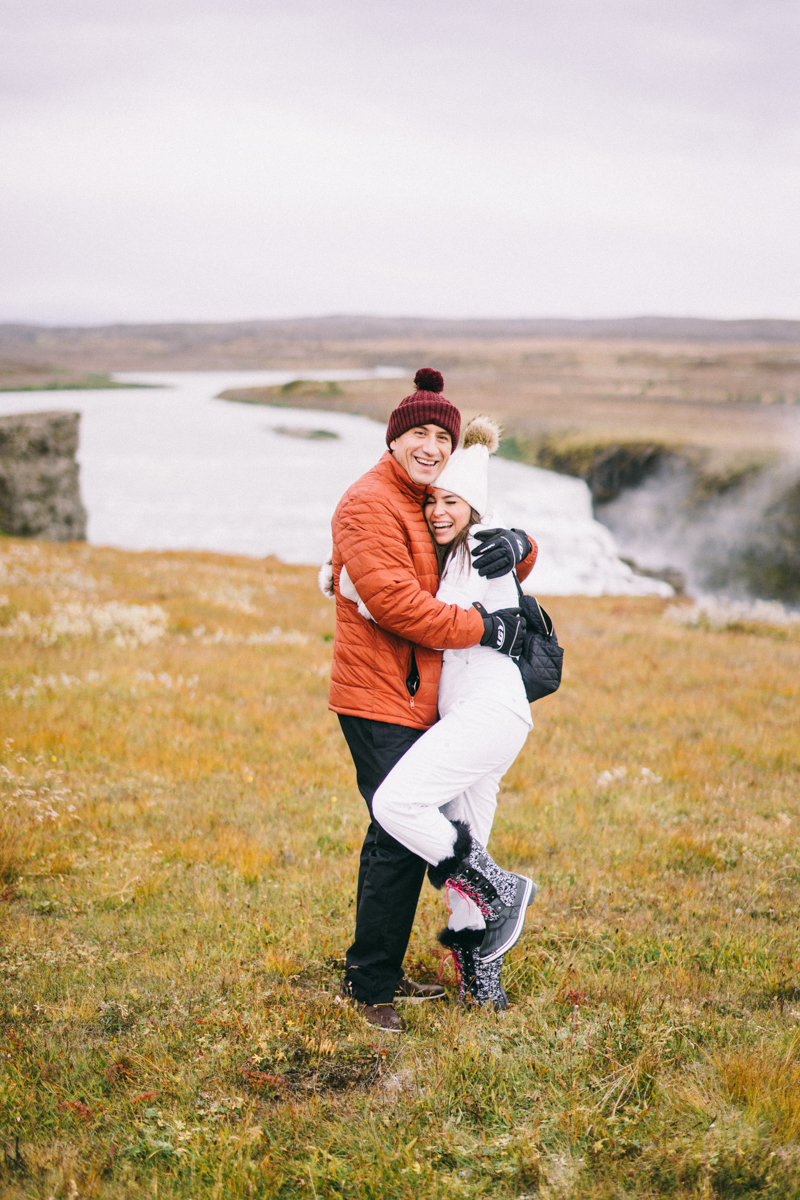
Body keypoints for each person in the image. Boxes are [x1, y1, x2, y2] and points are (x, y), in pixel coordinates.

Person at [325, 368, 537, 1032]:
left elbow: (474, 539)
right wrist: (484, 626)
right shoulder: (371, 501)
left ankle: (456, 963)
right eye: (415, 434)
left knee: (416, 830)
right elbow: (392, 601)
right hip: (381, 694)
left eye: (439, 437)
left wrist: (524, 545)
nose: (428, 447)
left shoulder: (428, 497)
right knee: (395, 831)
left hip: (435, 700)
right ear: (393, 440)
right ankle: (371, 989)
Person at [371, 416, 536, 1011]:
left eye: (454, 502)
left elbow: (503, 549)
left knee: (396, 804)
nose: (440, 511)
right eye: (434, 500)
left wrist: (519, 540)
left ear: (475, 510)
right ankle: (482, 989)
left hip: (489, 712)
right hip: (476, 717)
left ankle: (502, 889)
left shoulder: (482, 549)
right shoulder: (441, 556)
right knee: (469, 840)